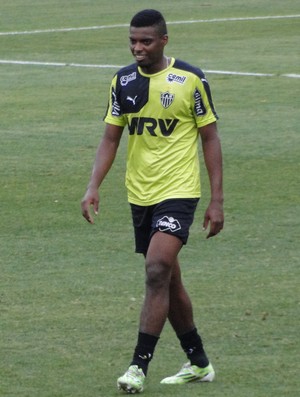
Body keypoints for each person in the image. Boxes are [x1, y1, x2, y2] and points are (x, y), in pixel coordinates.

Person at [81, 9, 224, 394]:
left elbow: (209, 136)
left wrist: (217, 200)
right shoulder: (122, 81)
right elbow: (111, 138)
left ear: (164, 40)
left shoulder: (189, 79)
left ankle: (137, 366)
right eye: (132, 41)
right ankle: (198, 362)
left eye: (145, 41)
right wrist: (93, 185)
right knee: (169, 279)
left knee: (157, 268)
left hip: (179, 190)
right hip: (140, 193)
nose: (137, 47)